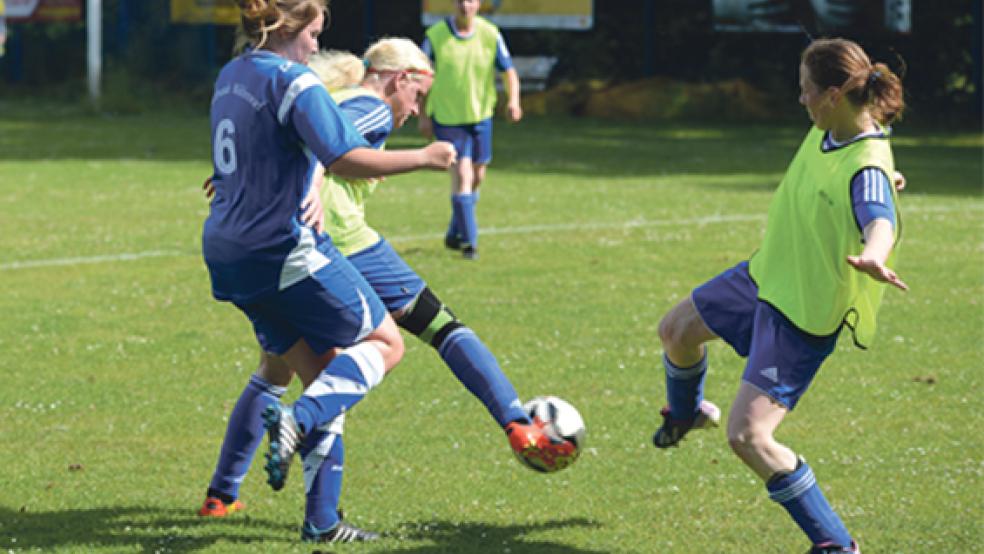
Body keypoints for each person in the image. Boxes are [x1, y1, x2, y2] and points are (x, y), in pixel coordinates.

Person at [197, 36, 572, 537]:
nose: (416, 110)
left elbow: (294, 140)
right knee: (438, 327)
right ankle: (515, 420)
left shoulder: (334, 97)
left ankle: (228, 495)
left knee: (287, 369)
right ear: (402, 80)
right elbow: (334, 150)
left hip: (274, 248)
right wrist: (333, 175)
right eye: (418, 96)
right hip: (338, 245)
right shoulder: (371, 107)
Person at [203, 0, 455, 543]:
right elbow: (343, 157)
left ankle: (322, 521)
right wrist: (424, 157)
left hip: (229, 253)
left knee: (327, 372)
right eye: (315, 33)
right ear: (290, 29)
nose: (318, 46)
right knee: (386, 346)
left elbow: (249, 149)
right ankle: (296, 420)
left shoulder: (232, 74)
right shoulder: (295, 82)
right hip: (283, 251)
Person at [651, 38, 907, 554]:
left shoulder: (867, 165)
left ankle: (836, 544)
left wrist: (876, 252)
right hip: (764, 276)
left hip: (802, 312)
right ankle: (686, 414)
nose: (801, 99)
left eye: (806, 90)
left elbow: (878, 217)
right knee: (675, 331)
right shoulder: (835, 128)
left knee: (749, 438)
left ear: (834, 94)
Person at [419, 0, 522, 260]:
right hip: (447, 118)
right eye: (461, 0)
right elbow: (420, 77)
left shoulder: (490, 34)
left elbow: (508, 71)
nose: (466, 5)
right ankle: (470, 243)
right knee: (463, 175)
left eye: (472, 0)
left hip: (480, 116)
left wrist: (513, 100)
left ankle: (455, 231)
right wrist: (422, 114)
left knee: (478, 176)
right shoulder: (436, 36)